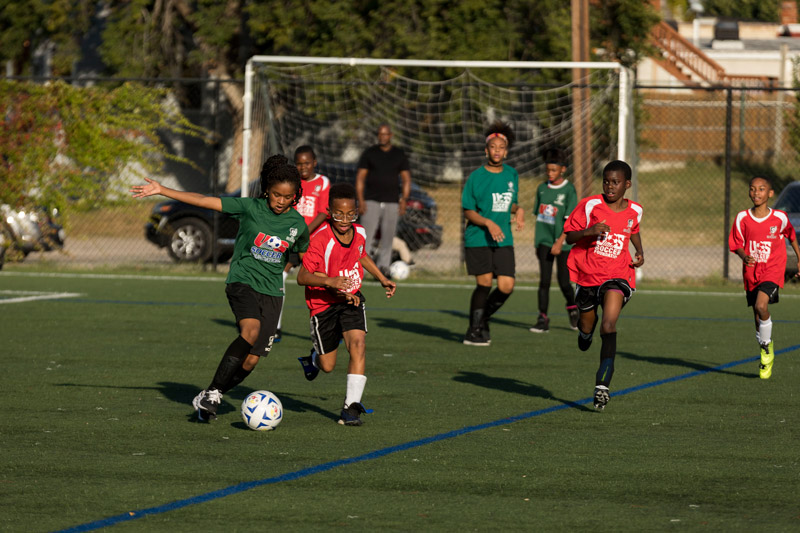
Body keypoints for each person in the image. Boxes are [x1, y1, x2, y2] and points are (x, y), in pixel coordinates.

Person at [130, 155, 310, 421]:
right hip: (243, 281)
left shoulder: (297, 225)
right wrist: (162, 190)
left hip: (273, 293)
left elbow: (305, 259)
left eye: (287, 197)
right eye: (276, 195)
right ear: (266, 191)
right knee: (250, 331)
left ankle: (211, 393)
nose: (281, 202)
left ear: (295, 196)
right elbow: (204, 201)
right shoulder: (249, 207)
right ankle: (214, 392)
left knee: (251, 360)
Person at [296, 182, 396, 426]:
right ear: (329, 211)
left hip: (351, 299)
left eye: (350, 214)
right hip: (323, 305)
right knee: (328, 365)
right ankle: (313, 360)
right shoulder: (320, 239)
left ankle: (350, 408)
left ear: (356, 212)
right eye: (338, 214)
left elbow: (361, 254)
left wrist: (382, 278)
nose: (344, 219)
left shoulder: (359, 232)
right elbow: (302, 277)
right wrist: (331, 282)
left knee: (358, 344)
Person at [564, 160, 644, 411]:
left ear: (627, 185)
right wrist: (589, 231)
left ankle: (602, 386)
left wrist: (639, 251)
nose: (610, 186)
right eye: (607, 181)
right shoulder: (590, 205)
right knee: (587, 324)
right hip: (588, 276)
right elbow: (569, 236)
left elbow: (633, 229)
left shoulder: (635, 210)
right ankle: (584, 332)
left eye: (616, 182)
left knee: (609, 325)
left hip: (618, 276)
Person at [729, 176, 800, 379]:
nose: (756, 193)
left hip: (773, 269)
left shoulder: (780, 217)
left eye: (761, 189)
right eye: (752, 189)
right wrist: (744, 256)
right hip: (752, 271)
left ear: (769, 194)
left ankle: (767, 350)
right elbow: (736, 244)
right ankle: (764, 348)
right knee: (756, 316)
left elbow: (792, 236)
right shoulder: (742, 217)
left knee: (762, 306)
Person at [461, 121, 525, 346]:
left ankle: (484, 317)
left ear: (506, 151)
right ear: (486, 150)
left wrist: (519, 210)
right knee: (485, 283)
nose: (497, 151)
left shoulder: (512, 174)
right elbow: (468, 210)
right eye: (493, 147)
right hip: (478, 238)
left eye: (501, 147)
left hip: (503, 238)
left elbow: (511, 203)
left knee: (507, 286)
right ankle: (474, 330)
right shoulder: (476, 177)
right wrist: (488, 222)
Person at [274, 145, 331, 341]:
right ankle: (276, 328)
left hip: (313, 241)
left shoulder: (323, 182)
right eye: (299, 164)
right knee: (279, 278)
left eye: (307, 163)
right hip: (291, 239)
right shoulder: (291, 182)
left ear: (314, 162)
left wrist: (304, 231)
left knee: (320, 284)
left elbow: (324, 212)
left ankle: (328, 327)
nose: (303, 167)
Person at [530, 147, 579, 333]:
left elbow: (570, 221)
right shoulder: (542, 189)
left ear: (563, 169)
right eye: (547, 170)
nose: (549, 173)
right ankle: (542, 318)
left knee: (564, 282)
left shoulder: (568, 190)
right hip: (543, 242)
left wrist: (560, 242)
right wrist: (538, 241)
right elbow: (539, 216)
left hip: (563, 245)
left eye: (553, 170)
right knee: (544, 281)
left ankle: (573, 309)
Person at [355, 124, 412, 278]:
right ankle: (360, 270)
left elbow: (406, 179)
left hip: (391, 202)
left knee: (388, 238)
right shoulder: (370, 153)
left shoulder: (399, 154)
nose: (383, 137)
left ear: (390, 135)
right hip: (371, 201)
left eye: (385, 134)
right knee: (365, 237)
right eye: (380, 134)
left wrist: (404, 200)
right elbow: (360, 177)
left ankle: (383, 269)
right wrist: (360, 199)